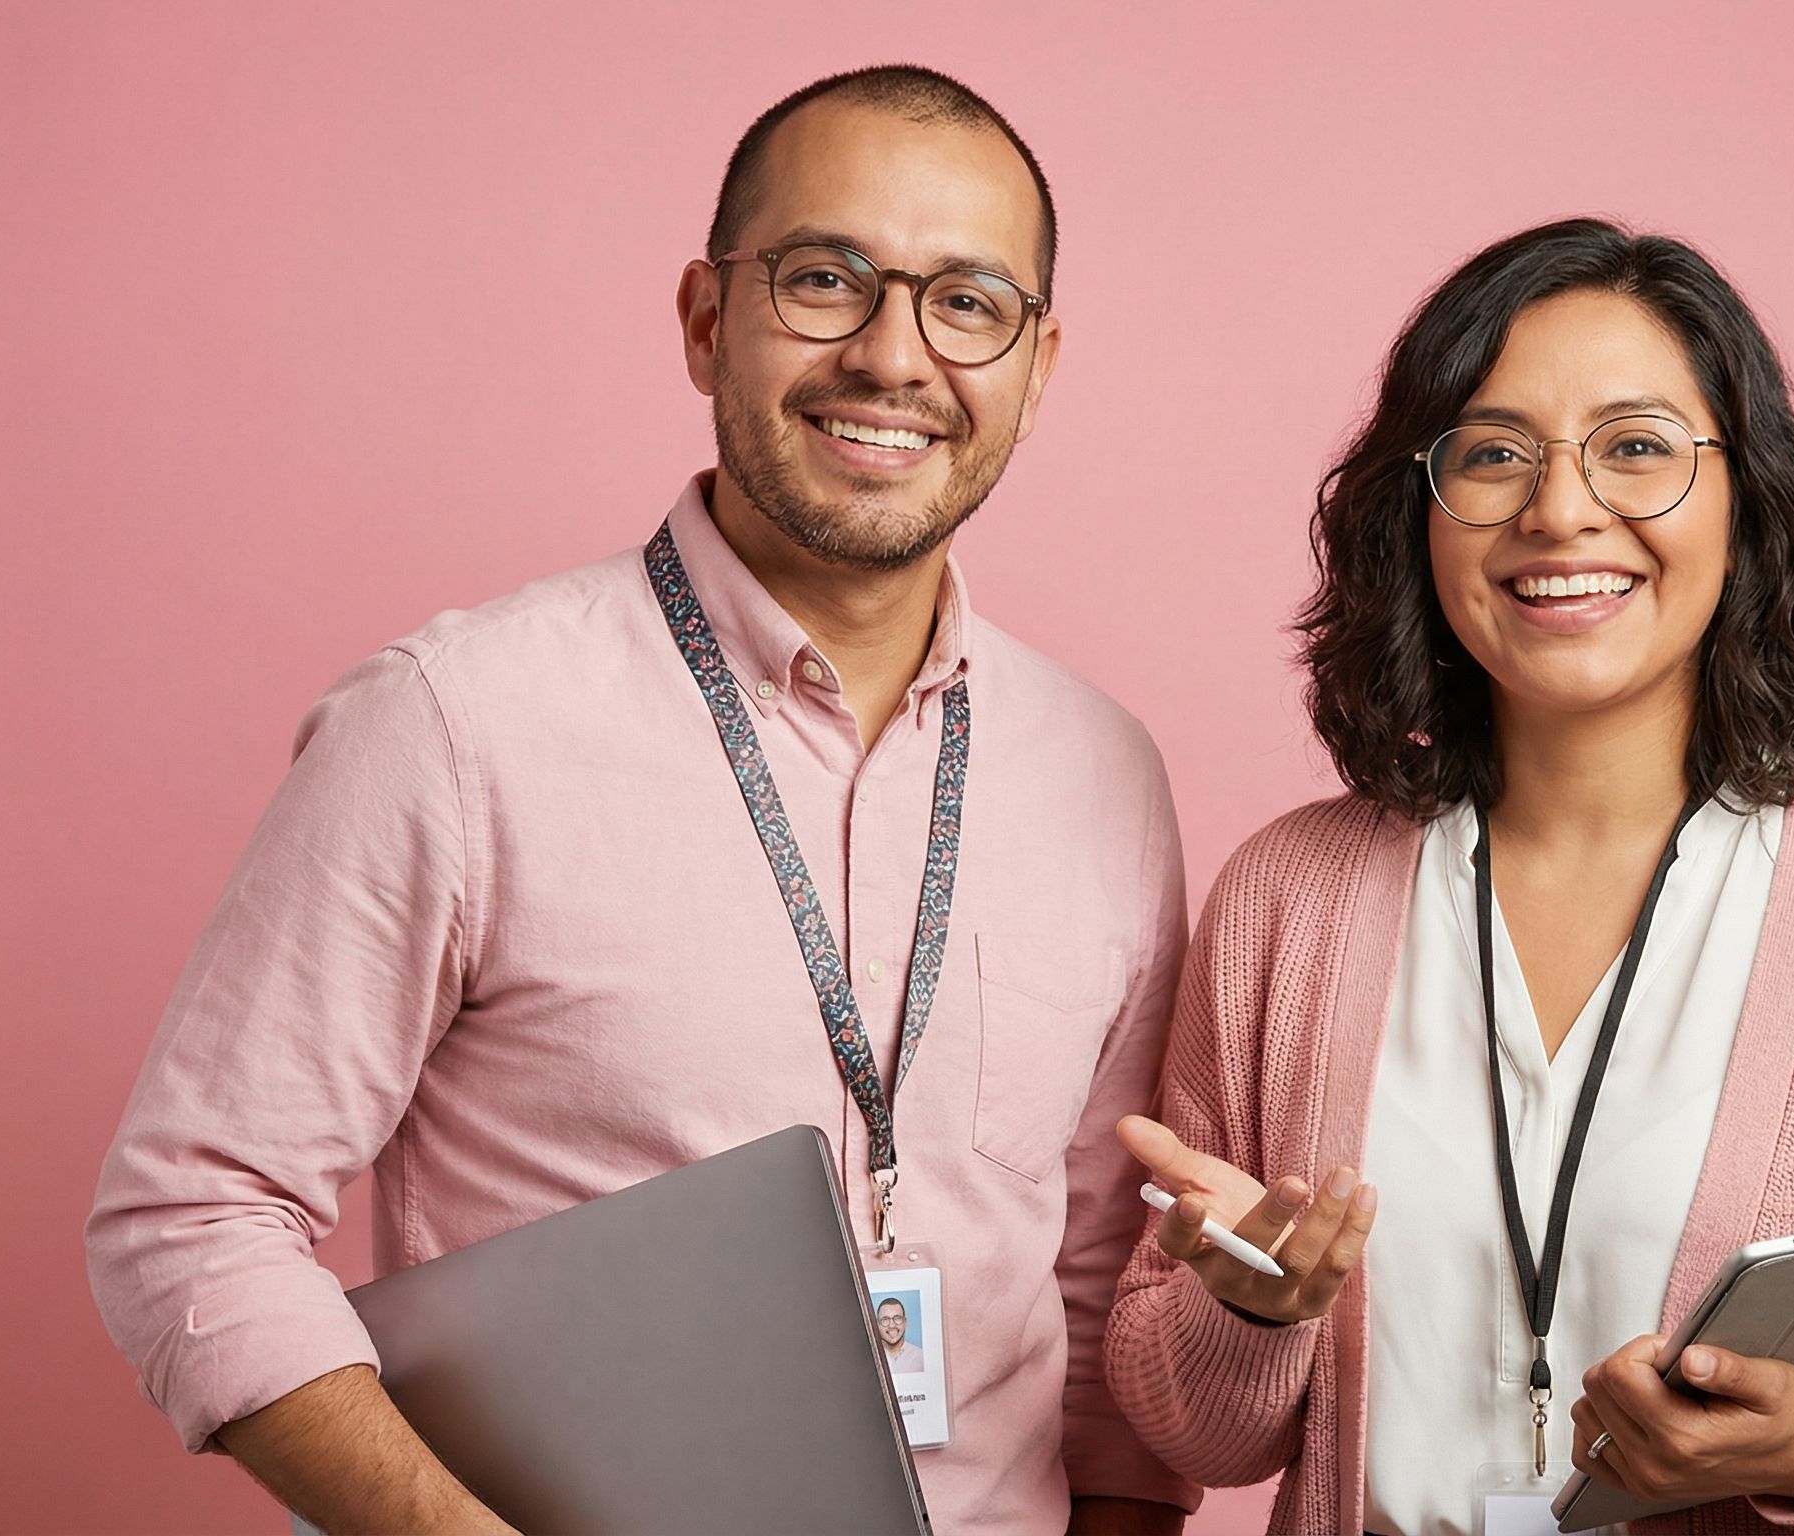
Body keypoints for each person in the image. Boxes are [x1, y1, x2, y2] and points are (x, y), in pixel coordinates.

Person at [86, 65, 1194, 1536]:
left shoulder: (1107, 772)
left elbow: (1106, 1299)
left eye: (966, 303)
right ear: (705, 319)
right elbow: (190, 1216)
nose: (893, 356)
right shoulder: (450, 723)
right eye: (825, 279)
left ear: (1036, 369)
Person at [1101, 219, 1794, 1535]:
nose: (1559, 510)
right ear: (1417, 513)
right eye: (1493, 454)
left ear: (1745, 499)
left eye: (1636, 447)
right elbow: (1195, 1435)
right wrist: (1245, 1311)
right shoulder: (1289, 898)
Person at [879, 1298, 928, 1374]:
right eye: (885, 1319)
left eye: (897, 1318)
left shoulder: (921, 1357)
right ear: (877, 1324)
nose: (891, 1325)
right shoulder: (870, 1357)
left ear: (905, 1322)